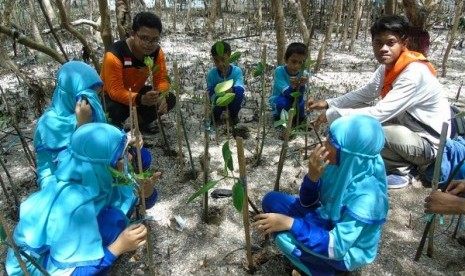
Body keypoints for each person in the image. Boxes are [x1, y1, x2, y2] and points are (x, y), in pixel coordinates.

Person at [307, 15, 451, 189]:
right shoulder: (388, 68)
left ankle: (402, 170)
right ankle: (400, 162)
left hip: (429, 144)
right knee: (365, 122)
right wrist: (329, 103)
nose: (383, 48)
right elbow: (365, 93)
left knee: (371, 130)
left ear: (403, 43)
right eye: (378, 42)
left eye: (391, 42)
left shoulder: (413, 73)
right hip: (409, 128)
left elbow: (379, 113)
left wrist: (334, 115)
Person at [6, 123, 158, 275]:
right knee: (114, 224)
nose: (130, 157)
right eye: (121, 156)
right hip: (34, 266)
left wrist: (147, 191)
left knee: (114, 221)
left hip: (54, 248)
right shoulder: (75, 203)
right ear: (103, 163)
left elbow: (138, 199)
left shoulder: (94, 174)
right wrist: (118, 247)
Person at [253, 115, 388, 275]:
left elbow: (336, 247)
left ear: (348, 154)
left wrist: (291, 224)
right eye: (327, 139)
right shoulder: (340, 164)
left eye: (331, 144)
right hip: (326, 218)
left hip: (343, 251)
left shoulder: (367, 198)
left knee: (284, 239)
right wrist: (312, 177)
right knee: (272, 200)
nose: (324, 146)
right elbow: (307, 203)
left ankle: (322, 271)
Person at [34, 60, 107, 188]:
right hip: (63, 184)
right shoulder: (48, 124)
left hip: (94, 179)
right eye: (87, 97)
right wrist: (81, 127)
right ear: (70, 94)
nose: (93, 102)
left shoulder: (92, 114)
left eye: (97, 95)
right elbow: (49, 169)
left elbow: (103, 152)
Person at [101, 12, 175, 134]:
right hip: (110, 97)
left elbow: (161, 78)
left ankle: (141, 123)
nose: (149, 44)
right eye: (144, 38)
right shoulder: (115, 53)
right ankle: (113, 129)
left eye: (154, 40)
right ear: (133, 34)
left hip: (137, 93)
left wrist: (162, 96)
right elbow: (115, 91)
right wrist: (140, 99)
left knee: (170, 98)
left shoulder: (156, 52)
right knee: (115, 110)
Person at [270, 42, 309, 125]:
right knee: (282, 104)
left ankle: (297, 120)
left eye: (300, 63)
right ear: (286, 59)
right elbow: (287, 93)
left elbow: (299, 97)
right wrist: (294, 86)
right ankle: (279, 117)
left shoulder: (304, 74)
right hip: (281, 98)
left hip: (297, 100)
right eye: (294, 61)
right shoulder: (279, 71)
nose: (296, 66)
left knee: (301, 107)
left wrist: (301, 86)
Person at [206, 41, 245, 125]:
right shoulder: (211, 74)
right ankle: (215, 118)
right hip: (218, 100)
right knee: (213, 97)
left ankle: (233, 116)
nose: (220, 64)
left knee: (239, 93)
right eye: (216, 60)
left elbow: (240, 87)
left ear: (229, 56)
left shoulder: (236, 71)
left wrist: (232, 90)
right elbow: (210, 92)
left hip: (232, 99)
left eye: (223, 59)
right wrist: (219, 93)